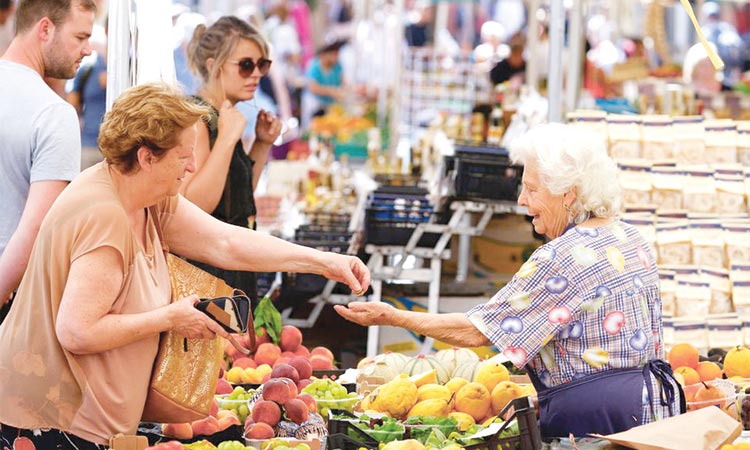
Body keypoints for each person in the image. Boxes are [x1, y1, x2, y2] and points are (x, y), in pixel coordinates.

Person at [0, 82, 370, 449]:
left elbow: (226, 242)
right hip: (54, 428)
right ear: (147, 157)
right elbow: (77, 332)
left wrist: (323, 262)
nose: (192, 166)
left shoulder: (147, 198)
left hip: (94, 423)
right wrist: (171, 317)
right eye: (183, 157)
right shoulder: (104, 216)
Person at [336, 123, 683, 438]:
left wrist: (392, 316)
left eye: (531, 189)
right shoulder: (630, 238)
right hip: (654, 409)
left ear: (568, 194)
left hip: (594, 423)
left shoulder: (561, 257)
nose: (521, 200)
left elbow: (476, 331)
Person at [0, 0, 96, 321]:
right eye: (80, 37)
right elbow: (38, 226)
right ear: (45, 29)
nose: (88, 50)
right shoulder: (54, 114)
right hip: (11, 295)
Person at [184, 16, 282, 307]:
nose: (256, 74)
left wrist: (261, 144)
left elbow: (235, 197)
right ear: (213, 65)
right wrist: (227, 139)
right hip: (209, 274)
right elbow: (194, 206)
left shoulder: (224, 115)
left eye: (262, 64)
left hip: (232, 266)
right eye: (246, 65)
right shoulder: (197, 120)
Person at [67, 19, 107, 169]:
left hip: (119, 150)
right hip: (89, 145)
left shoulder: (133, 70)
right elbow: (72, 103)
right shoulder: (89, 68)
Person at [301, 39, 346, 128]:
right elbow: (313, 87)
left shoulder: (337, 66)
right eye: (333, 53)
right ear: (325, 54)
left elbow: (343, 82)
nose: (336, 57)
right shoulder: (314, 66)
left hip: (330, 106)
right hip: (315, 105)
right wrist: (331, 91)